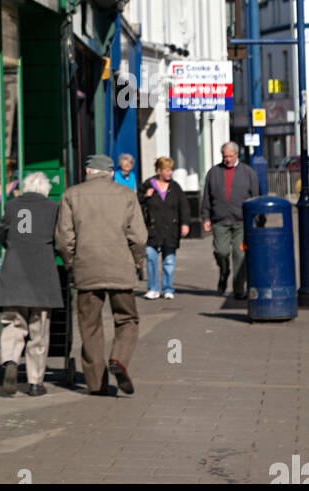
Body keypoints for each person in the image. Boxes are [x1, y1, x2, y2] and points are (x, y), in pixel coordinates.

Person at [55, 153, 147, 397]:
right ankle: (119, 359)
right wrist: (136, 262)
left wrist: (71, 263)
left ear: (87, 172)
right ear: (111, 173)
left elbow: (64, 239)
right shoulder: (127, 195)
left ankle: (96, 384)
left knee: (90, 325)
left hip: (86, 268)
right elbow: (139, 237)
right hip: (120, 266)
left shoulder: (71, 195)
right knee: (127, 319)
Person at [0, 170, 63, 397]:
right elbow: (60, 239)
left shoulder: (12, 205)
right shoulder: (52, 208)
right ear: (45, 189)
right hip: (42, 276)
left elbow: (2, 233)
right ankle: (34, 382)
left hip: (14, 272)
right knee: (38, 331)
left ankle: (11, 361)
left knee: (13, 324)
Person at [201, 142, 260, 300]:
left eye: (230, 156)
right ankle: (224, 272)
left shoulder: (248, 173)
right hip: (220, 221)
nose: (227, 159)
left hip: (242, 221)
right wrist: (206, 217)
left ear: (236, 155)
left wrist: (258, 219)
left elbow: (256, 196)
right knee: (221, 252)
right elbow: (206, 197)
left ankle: (238, 289)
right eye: (224, 156)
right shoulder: (214, 172)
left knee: (240, 255)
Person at [138, 156, 190, 299]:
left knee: (169, 261)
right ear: (159, 170)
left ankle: (168, 288)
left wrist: (185, 224)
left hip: (170, 229)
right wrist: (145, 197)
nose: (170, 173)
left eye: (171, 170)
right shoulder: (147, 185)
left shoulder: (175, 187)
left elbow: (183, 206)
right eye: (167, 170)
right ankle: (153, 288)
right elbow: (136, 203)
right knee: (151, 257)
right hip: (152, 229)